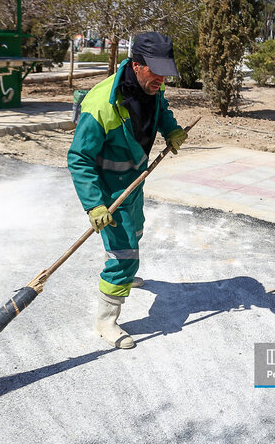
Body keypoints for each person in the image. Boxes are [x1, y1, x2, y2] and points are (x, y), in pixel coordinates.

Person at [67, 32, 187, 349]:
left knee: (137, 229)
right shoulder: (100, 106)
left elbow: (160, 107)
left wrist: (171, 129)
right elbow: (78, 158)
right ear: (136, 65)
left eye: (165, 72)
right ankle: (106, 321)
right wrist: (94, 206)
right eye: (156, 71)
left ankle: (124, 272)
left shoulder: (152, 88)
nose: (161, 79)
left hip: (134, 181)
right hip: (109, 192)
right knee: (124, 255)